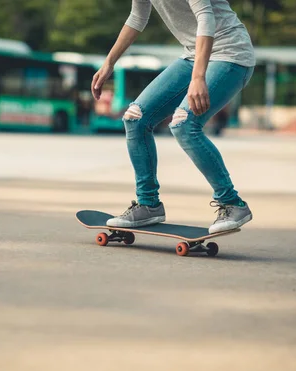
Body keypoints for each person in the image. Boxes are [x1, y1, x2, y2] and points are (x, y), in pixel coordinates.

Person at [91, 0, 256, 234]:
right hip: (192, 55)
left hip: (230, 54)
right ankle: (148, 204)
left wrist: (198, 78)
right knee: (135, 118)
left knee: (184, 123)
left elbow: (205, 17)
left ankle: (232, 202)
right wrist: (109, 62)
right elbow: (137, 18)